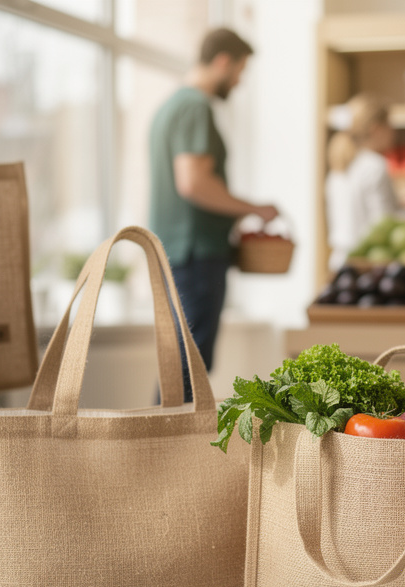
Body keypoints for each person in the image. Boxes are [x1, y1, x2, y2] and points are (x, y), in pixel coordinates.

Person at [148, 27, 279, 397]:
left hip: (177, 252)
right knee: (189, 366)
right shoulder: (195, 107)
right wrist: (254, 208)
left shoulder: (171, 106)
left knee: (179, 364)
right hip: (196, 255)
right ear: (223, 62)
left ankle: (158, 434)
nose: (239, 81)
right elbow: (193, 183)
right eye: (240, 71)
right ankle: (168, 438)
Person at [324, 94, 398, 269]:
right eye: (390, 126)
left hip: (339, 261)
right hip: (368, 263)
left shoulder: (340, 164)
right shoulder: (375, 165)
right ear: (376, 129)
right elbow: (384, 224)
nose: (394, 132)